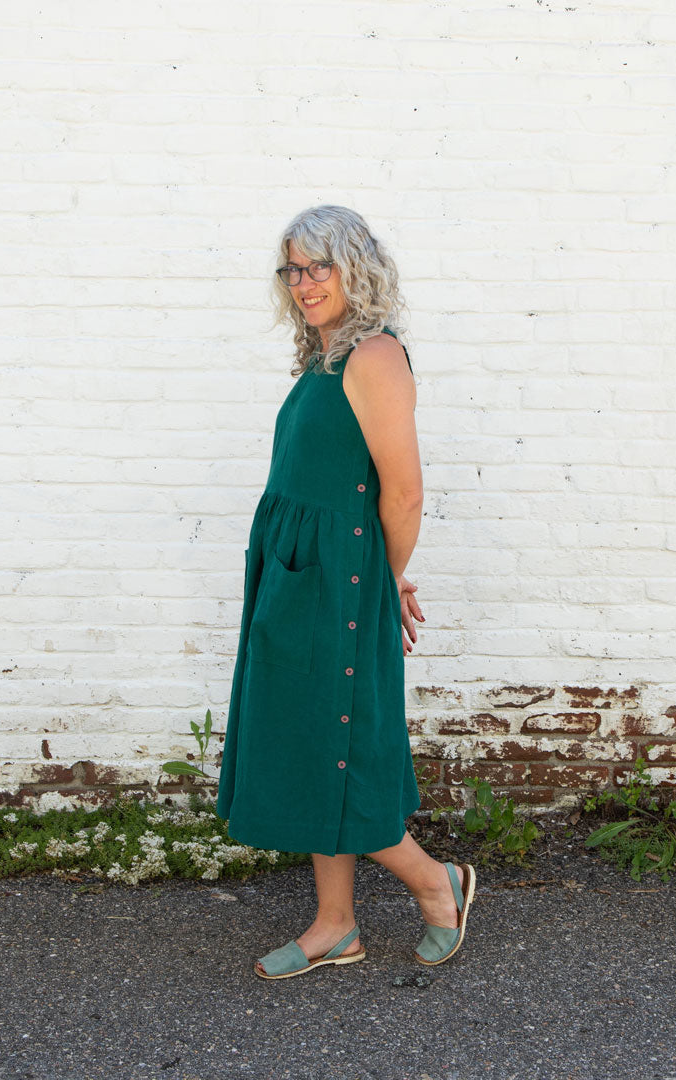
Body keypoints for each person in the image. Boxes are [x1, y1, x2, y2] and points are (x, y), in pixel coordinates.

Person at [215, 205, 475, 979]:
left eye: (318, 266)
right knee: (308, 737)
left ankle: (437, 883)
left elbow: (402, 496)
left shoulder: (375, 356)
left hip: (339, 585)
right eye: (293, 269)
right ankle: (336, 925)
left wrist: (381, 583)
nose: (304, 284)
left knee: (337, 749)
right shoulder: (324, 358)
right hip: (301, 579)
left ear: (356, 267)